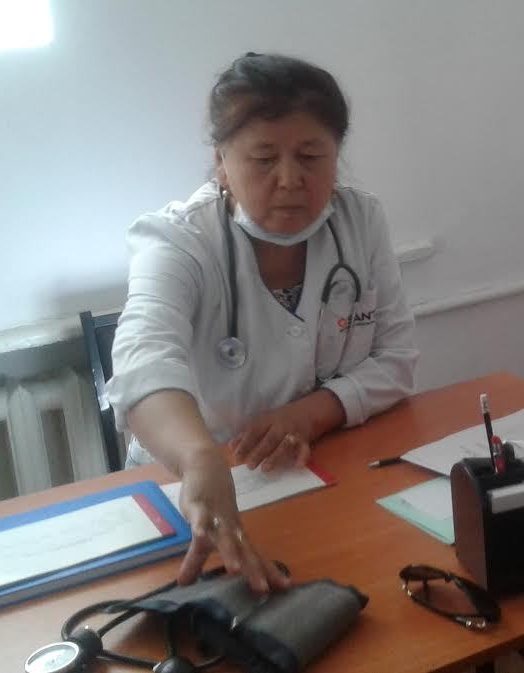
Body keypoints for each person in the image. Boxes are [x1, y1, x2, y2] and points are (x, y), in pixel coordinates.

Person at [107, 53, 417, 594]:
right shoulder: (177, 239)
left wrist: (310, 414)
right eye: (264, 158)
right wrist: (199, 457)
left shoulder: (360, 221)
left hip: (317, 474)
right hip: (191, 487)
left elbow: (396, 359)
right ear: (221, 162)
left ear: (336, 155)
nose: (290, 179)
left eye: (311, 156)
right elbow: (143, 359)